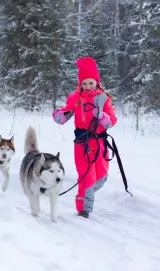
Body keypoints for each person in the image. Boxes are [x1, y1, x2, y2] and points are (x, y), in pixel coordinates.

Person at [52, 56, 117, 218]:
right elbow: (66, 113)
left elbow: (112, 120)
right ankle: (84, 209)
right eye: (84, 83)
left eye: (91, 83)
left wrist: (103, 117)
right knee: (86, 175)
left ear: (97, 82)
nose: (88, 86)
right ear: (80, 84)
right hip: (82, 143)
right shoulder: (75, 98)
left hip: (100, 143)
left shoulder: (104, 98)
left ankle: (88, 190)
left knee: (101, 176)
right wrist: (60, 116)